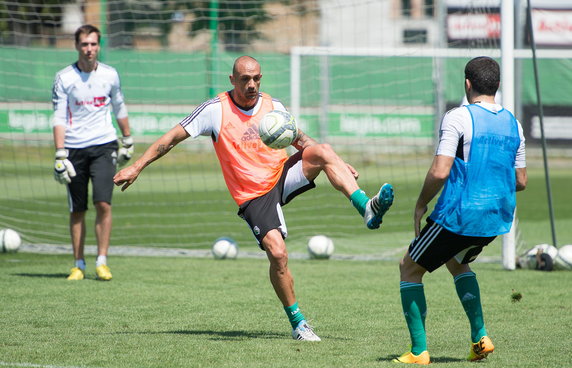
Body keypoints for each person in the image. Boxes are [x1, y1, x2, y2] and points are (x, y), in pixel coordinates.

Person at [113, 55, 394, 341]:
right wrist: (137, 166)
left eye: (256, 78)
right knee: (278, 253)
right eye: (245, 79)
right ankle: (298, 323)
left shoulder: (274, 107)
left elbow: (302, 140)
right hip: (252, 194)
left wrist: (337, 161)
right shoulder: (214, 110)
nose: (252, 84)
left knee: (323, 150)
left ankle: (366, 208)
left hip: (281, 175)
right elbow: (170, 138)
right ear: (232, 79)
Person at [393, 56, 527, 364]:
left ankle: (418, 351)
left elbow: (440, 171)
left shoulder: (458, 117)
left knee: (409, 268)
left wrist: (421, 203)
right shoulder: (514, 124)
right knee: (457, 263)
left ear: (467, 83)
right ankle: (480, 337)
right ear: (497, 85)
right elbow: (520, 180)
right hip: (496, 218)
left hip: (458, 215)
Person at [52, 24, 133, 281]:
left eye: (93, 44)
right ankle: (78, 264)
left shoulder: (110, 75)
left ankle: (102, 262)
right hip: (73, 149)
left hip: (104, 145)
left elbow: (119, 107)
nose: (89, 49)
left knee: (103, 203)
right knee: (77, 209)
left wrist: (128, 139)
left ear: (99, 46)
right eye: (84, 44)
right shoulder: (64, 78)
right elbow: (58, 117)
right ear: (77, 46)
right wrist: (60, 153)